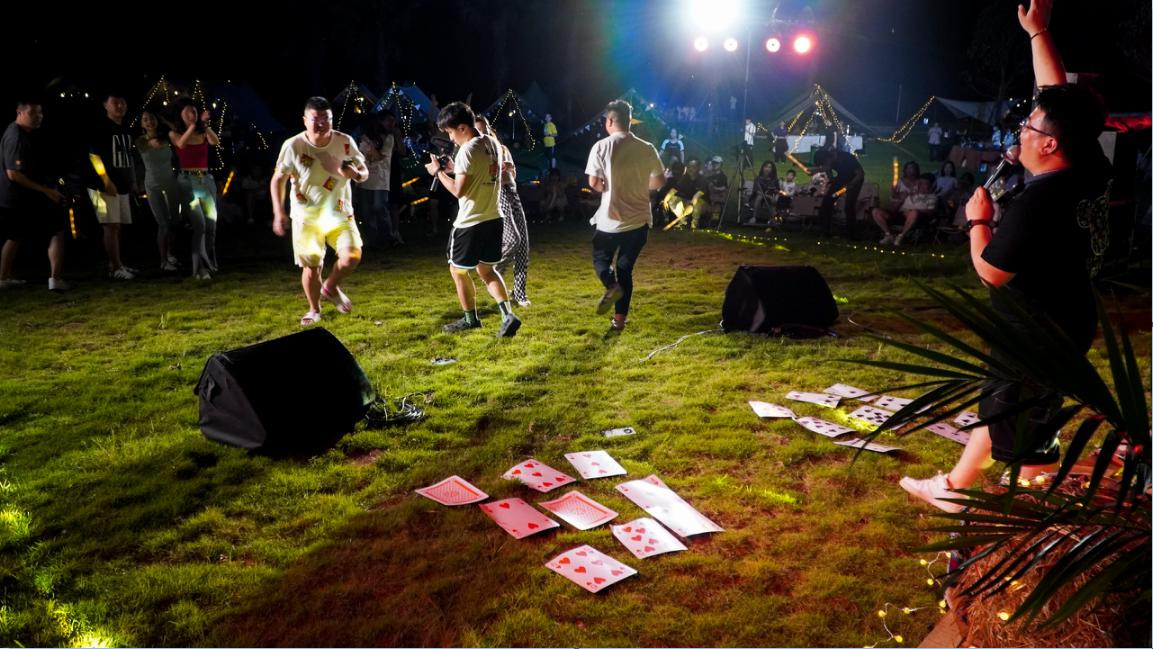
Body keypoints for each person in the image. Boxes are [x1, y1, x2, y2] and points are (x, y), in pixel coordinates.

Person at [900, 0, 1112, 513]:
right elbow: (1056, 97)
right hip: (1071, 315)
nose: (1022, 132)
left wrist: (979, 221)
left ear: (1051, 145)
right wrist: (1038, 32)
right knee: (1009, 407)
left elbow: (992, 271)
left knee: (1015, 421)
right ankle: (964, 485)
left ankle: (994, 493)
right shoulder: (1088, 166)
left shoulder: (1038, 202)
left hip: (1032, 328)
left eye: (1030, 128)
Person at [424, 101, 521, 337]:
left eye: (450, 132)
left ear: (463, 128)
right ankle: (508, 315)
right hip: (493, 217)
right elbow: (477, 172)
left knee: (457, 271)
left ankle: (470, 320)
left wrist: (438, 172)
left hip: (470, 222)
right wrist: (454, 168)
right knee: (487, 270)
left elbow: (459, 191)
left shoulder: (467, 150)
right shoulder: (492, 143)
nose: (451, 138)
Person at [271, 96, 369, 327]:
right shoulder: (293, 145)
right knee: (312, 266)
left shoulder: (344, 141)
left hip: (340, 213)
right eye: (316, 119)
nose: (322, 123)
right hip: (306, 216)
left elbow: (364, 172)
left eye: (327, 118)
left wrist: (354, 174)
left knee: (352, 257)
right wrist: (278, 212)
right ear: (305, 120)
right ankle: (314, 309)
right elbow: (278, 179)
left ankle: (331, 287)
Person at [585, 99, 665, 331]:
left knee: (601, 259)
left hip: (610, 220)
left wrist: (606, 187)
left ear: (610, 120)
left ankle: (611, 286)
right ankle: (619, 320)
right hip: (639, 220)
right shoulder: (647, 147)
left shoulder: (601, 146)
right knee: (625, 269)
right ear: (629, 121)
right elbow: (659, 181)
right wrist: (639, 186)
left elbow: (594, 182)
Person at [0, 99, 70, 291]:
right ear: (19, 112)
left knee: (15, 236)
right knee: (56, 230)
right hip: (21, 197)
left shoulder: (22, 133)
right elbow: (13, 173)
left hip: (19, 196)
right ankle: (55, 279)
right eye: (32, 113)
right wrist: (46, 191)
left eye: (40, 113)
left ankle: (4, 277)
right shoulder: (16, 136)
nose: (38, 117)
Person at [476, 114, 530, 306]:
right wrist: (498, 169)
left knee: (523, 246)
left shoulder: (502, 148)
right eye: (478, 130)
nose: (483, 133)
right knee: (513, 240)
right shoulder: (478, 151)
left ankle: (519, 294)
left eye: (484, 129)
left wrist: (510, 168)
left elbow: (513, 173)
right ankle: (490, 273)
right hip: (498, 195)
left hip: (512, 192)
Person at [88, 93, 138, 279]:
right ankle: (116, 268)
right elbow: (94, 156)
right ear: (105, 105)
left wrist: (132, 181)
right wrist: (106, 181)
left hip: (122, 184)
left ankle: (116, 264)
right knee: (111, 225)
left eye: (122, 102)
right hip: (102, 186)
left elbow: (128, 156)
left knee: (119, 225)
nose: (119, 106)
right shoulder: (101, 128)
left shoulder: (125, 129)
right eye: (115, 102)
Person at [170, 99, 220, 279]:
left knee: (211, 225)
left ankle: (208, 262)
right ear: (181, 115)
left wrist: (204, 125)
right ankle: (199, 268)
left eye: (194, 112)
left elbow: (215, 141)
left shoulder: (203, 131)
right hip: (187, 181)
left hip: (205, 180)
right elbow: (181, 144)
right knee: (199, 224)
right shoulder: (174, 133)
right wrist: (193, 125)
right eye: (188, 112)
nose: (192, 115)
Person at [135, 109, 182, 271]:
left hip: (170, 183)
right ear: (141, 124)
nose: (149, 121)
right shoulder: (140, 141)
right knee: (163, 224)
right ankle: (163, 261)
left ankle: (170, 254)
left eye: (152, 118)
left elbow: (177, 131)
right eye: (145, 119)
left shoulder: (167, 137)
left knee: (174, 222)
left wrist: (165, 121)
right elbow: (152, 144)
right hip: (153, 185)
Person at [356, 110, 401, 247]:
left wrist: (367, 142)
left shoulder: (389, 138)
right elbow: (360, 157)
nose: (391, 124)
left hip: (381, 180)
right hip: (365, 180)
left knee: (379, 206)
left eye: (393, 121)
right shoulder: (364, 139)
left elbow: (379, 157)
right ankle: (373, 240)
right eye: (388, 120)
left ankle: (388, 237)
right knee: (366, 212)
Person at [814, 146, 865, 239]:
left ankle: (851, 234)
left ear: (828, 158)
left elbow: (860, 174)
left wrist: (850, 185)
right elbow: (827, 169)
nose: (826, 165)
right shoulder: (829, 160)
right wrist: (832, 181)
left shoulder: (847, 158)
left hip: (855, 179)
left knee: (849, 206)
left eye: (825, 163)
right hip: (841, 178)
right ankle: (825, 231)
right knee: (827, 202)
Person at [745, 160, 779, 225]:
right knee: (759, 197)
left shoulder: (774, 180)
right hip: (757, 197)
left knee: (774, 201)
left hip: (769, 197)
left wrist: (775, 198)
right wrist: (769, 197)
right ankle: (754, 217)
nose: (767, 169)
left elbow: (777, 191)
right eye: (765, 167)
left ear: (772, 169)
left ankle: (772, 219)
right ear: (762, 168)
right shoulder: (758, 179)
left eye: (769, 167)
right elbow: (758, 192)